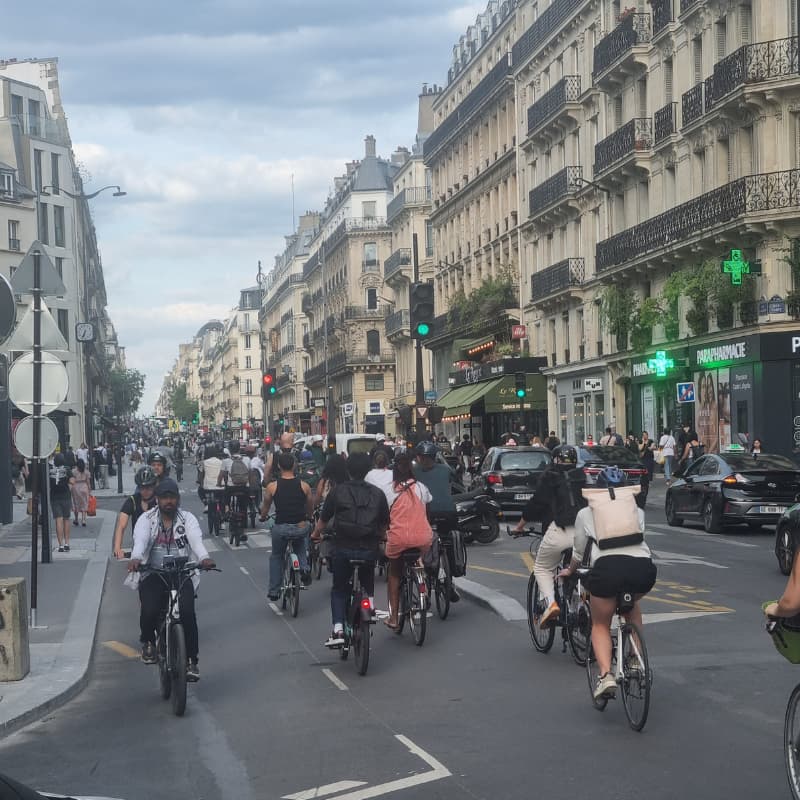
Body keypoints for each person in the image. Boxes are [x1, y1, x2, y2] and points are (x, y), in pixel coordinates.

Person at [559, 467, 656, 700]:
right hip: (643, 570)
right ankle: (635, 661)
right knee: (632, 608)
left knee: (601, 624)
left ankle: (605, 676)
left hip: (607, 570)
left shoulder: (586, 512)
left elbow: (579, 550)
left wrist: (570, 570)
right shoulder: (635, 509)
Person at [129, 478, 215, 681]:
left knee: (187, 613)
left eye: (172, 497)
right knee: (149, 609)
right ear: (157, 499)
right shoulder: (146, 519)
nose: (169, 501)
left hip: (181, 573)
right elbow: (140, 540)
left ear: (178, 499)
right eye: (164, 497)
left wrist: (204, 558)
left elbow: (195, 540)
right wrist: (135, 558)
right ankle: (148, 642)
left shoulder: (187, 519)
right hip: (154, 572)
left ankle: (192, 661)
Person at [310, 452, 389, 647]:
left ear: (349, 470)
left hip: (342, 548)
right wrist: (382, 537)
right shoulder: (377, 493)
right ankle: (369, 604)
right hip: (368, 547)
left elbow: (323, 520)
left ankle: (338, 629)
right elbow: (384, 524)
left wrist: (315, 535)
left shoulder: (338, 492)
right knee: (367, 574)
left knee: (339, 589)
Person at [512, 445, 587, 625]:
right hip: (584, 531)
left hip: (558, 531)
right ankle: (582, 604)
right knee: (582, 569)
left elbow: (536, 504)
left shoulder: (549, 477)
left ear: (555, 460)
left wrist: (520, 526)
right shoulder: (582, 476)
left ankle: (550, 603)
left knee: (542, 568)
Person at [384, 453, 433, 630]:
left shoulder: (389, 490)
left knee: (394, 573)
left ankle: (394, 617)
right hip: (422, 537)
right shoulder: (421, 488)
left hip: (399, 539)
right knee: (419, 553)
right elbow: (427, 514)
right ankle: (423, 582)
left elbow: (384, 518)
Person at [260, 452, 314, 599]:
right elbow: (310, 507)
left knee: (277, 556)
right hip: (300, 527)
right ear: (295, 465)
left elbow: (265, 507)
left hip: (281, 527)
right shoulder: (304, 486)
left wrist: (263, 517)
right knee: (301, 548)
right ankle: (303, 568)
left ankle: (274, 591)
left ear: (279, 466)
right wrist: (309, 517)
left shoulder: (272, 487)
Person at [413, 440, 460, 601]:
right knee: (449, 542)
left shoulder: (413, 471)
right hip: (448, 513)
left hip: (423, 514)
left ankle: (424, 577)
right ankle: (449, 579)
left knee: (418, 545)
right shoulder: (445, 469)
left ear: (419, 457)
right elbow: (456, 477)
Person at [218, 440, 251, 543]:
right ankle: (243, 518)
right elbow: (250, 473)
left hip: (231, 488)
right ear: (239, 449)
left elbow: (221, 475)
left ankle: (227, 510)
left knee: (225, 496)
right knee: (243, 505)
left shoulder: (226, 461)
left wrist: (218, 483)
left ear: (230, 450)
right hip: (244, 487)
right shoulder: (247, 459)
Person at [49, 454, 74, 553]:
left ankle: (61, 545)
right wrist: (68, 489)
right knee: (66, 519)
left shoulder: (50, 470)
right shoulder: (67, 469)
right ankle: (67, 543)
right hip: (65, 496)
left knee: (58, 520)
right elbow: (72, 481)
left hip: (54, 497)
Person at [70, 458, 92, 527]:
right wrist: (89, 489)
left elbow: (72, 481)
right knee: (84, 503)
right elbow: (88, 482)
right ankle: (83, 520)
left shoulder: (74, 471)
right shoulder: (86, 471)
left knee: (76, 504)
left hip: (76, 487)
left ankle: (76, 519)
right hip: (84, 486)